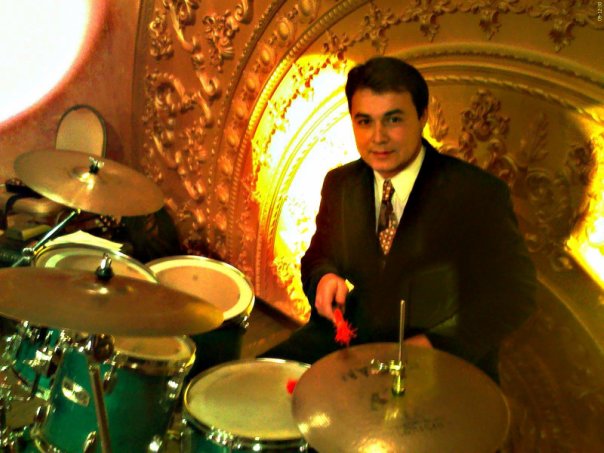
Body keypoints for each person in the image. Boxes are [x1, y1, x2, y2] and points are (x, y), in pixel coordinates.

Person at [259, 56, 536, 381]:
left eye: (393, 120)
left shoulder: (478, 193)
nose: (378, 137)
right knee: (253, 384)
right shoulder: (340, 184)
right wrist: (324, 278)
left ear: (422, 116)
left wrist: (433, 345)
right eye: (365, 121)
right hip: (349, 339)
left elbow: (516, 293)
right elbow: (319, 257)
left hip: (441, 360)